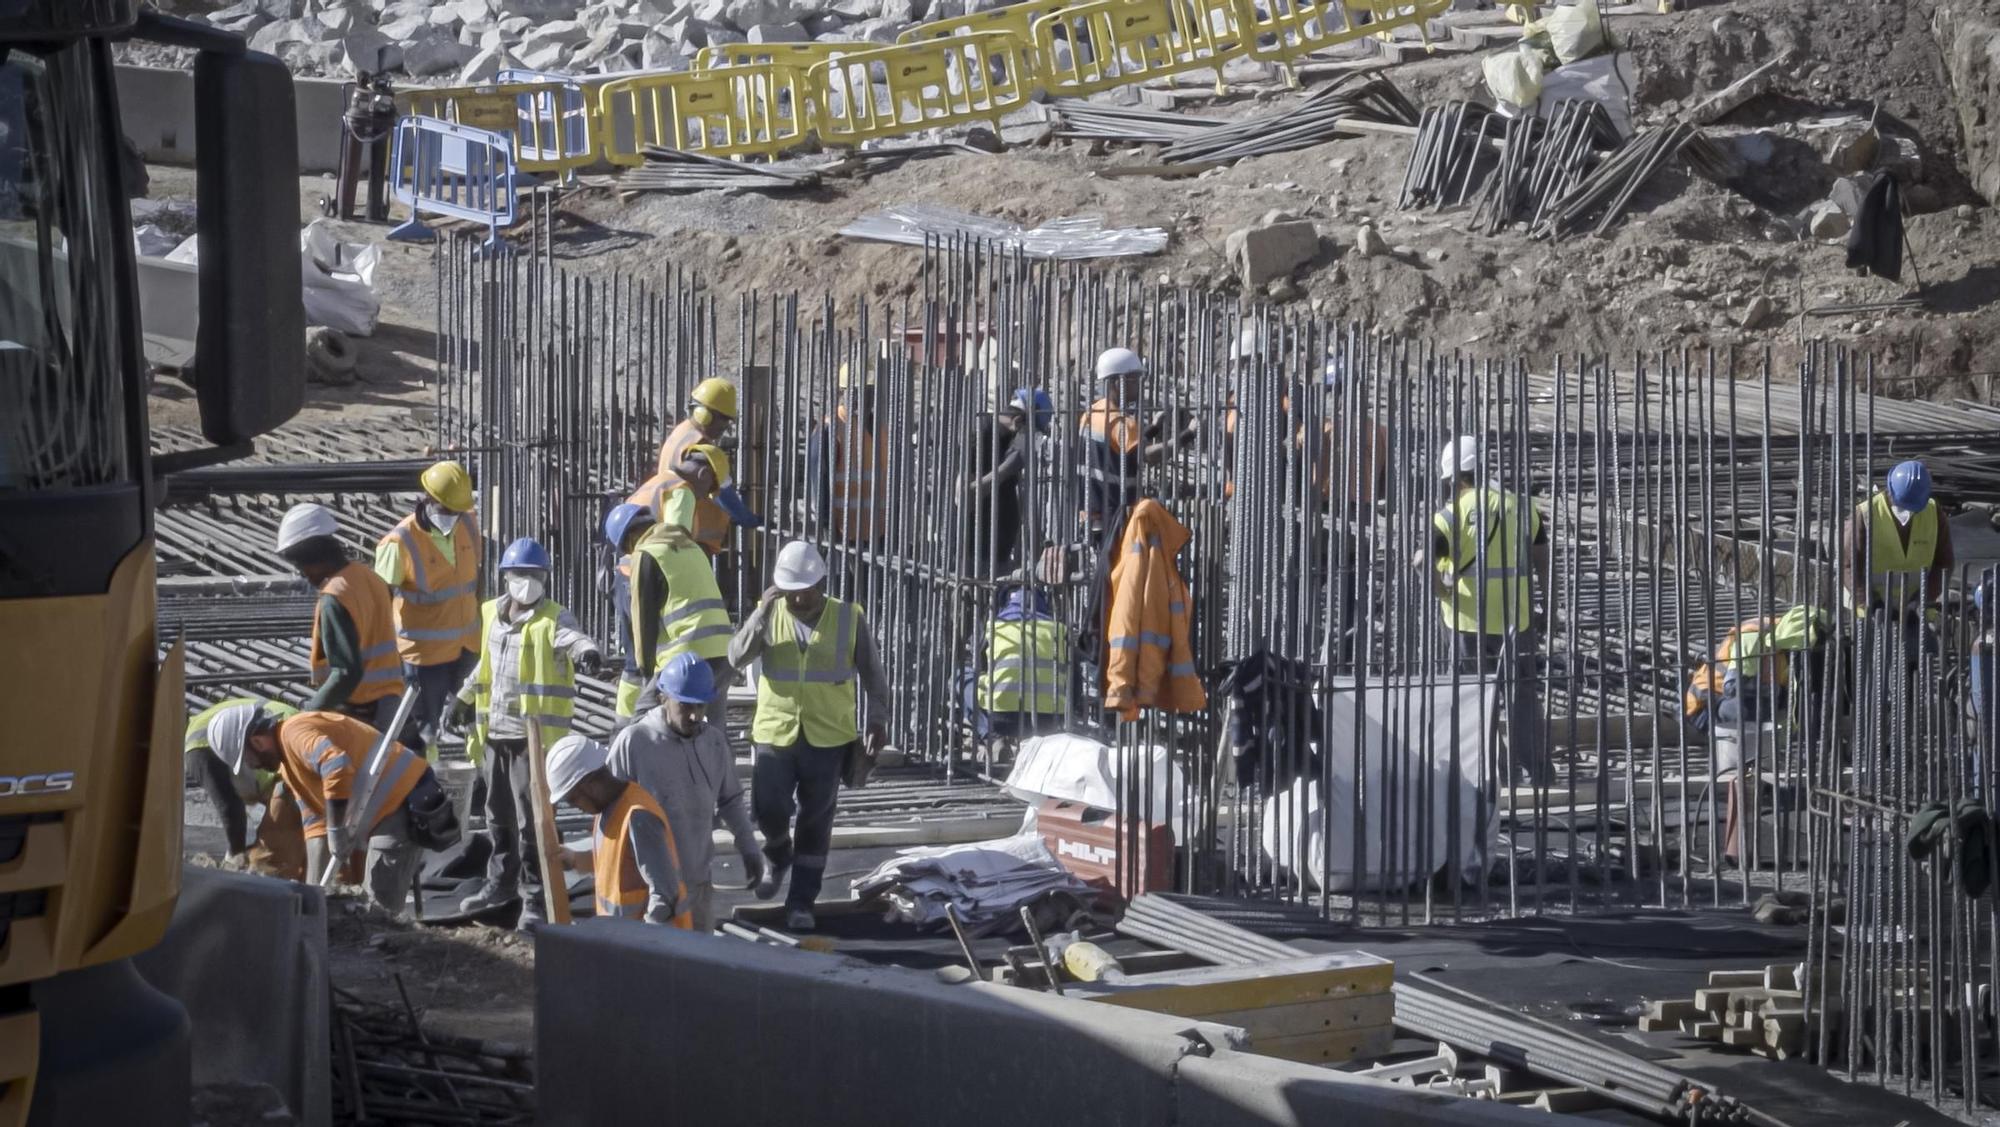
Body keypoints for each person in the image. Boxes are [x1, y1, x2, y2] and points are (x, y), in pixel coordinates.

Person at [730, 541, 892, 931]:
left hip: (828, 735)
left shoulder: (848, 617)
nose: (798, 597)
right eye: (790, 590)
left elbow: (872, 673)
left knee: (816, 822)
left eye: (805, 589)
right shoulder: (769, 613)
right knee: (768, 806)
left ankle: (801, 901)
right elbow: (736, 657)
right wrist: (759, 615)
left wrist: (878, 719)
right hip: (775, 732)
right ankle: (778, 852)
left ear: (821, 582)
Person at [450, 537, 603, 922]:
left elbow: (573, 639)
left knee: (531, 822)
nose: (529, 582)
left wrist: (587, 652)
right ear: (506, 577)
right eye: (522, 575)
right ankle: (500, 882)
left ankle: (535, 897)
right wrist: (463, 699)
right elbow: (485, 667)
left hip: (531, 742)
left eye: (536, 575)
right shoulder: (490, 615)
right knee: (497, 816)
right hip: (495, 736)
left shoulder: (553, 617)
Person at [1416, 436, 1552, 785]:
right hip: (1515, 621)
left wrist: (1441, 590)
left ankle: (1491, 770)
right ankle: (1536, 770)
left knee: (1475, 699)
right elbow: (1542, 560)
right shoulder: (1521, 506)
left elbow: (1422, 561)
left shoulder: (1448, 516)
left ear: (1453, 478)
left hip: (1466, 622)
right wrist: (1548, 604)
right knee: (1521, 696)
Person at [219, 708, 436, 914]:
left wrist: (336, 828)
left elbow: (336, 765)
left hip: (405, 799)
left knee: (379, 910)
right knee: (370, 908)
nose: (253, 766)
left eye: (247, 759)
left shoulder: (294, 732)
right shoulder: (289, 767)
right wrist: (314, 893)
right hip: (385, 810)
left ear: (257, 742)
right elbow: (315, 825)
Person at [608, 653, 766, 932]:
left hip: (698, 886)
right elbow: (609, 817)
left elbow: (729, 800)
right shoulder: (635, 743)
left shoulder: (713, 743)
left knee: (699, 967)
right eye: (685, 706)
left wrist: (749, 847)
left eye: (702, 706)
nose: (695, 715)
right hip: (648, 894)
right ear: (663, 698)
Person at [1681, 606, 1830, 863]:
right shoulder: (1753, 636)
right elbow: (1736, 691)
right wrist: (1777, 695)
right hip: (1709, 708)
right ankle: (1747, 787)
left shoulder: (1783, 644)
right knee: (1751, 724)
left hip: (1744, 710)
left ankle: (1754, 780)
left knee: (1775, 718)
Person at [374, 460, 481, 754]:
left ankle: (476, 780)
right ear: (429, 500)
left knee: (477, 718)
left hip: (467, 648)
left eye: (457, 511)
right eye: (447, 510)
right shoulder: (400, 541)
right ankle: (429, 786)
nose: (453, 517)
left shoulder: (468, 524)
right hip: (423, 658)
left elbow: (473, 583)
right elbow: (378, 600)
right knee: (426, 731)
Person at [276, 502, 404, 731]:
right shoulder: (369, 576)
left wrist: (310, 712)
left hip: (362, 711)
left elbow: (346, 672)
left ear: (313, 558)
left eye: (301, 566)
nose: (303, 575)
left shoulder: (334, 598)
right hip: (391, 703)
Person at [544, 734, 692, 928]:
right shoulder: (607, 809)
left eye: (573, 799)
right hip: (619, 940)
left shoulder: (638, 817)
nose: (575, 806)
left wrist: (644, 943)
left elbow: (665, 894)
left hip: (649, 946)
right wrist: (576, 860)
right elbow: (615, 863)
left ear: (589, 783)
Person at [627, 490, 736, 715]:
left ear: (631, 538)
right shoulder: (693, 548)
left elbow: (642, 619)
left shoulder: (646, 553)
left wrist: (646, 670)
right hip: (724, 654)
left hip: (685, 659)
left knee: (644, 718)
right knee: (711, 731)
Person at [1842, 459, 1952, 663]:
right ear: (1889, 491)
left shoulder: (1933, 513)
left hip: (1913, 610)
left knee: (1917, 667)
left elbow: (1943, 564)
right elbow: (1848, 565)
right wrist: (1870, 603)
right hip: (1870, 611)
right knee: (1872, 671)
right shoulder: (1865, 515)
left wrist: (1922, 599)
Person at [1078, 347, 1197, 536]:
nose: (1140, 386)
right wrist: (1187, 435)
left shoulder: (1091, 414)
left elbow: (1122, 450)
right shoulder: (1122, 422)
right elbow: (1146, 456)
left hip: (1092, 510)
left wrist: (1153, 428)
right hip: (1116, 513)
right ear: (1119, 382)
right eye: (1135, 379)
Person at [186, 697, 302, 879]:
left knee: (271, 853)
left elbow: (229, 807)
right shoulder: (282, 727)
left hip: (284, 761)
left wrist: (235, 858)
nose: (252, 765)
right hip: (282, 753)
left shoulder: (197, 749)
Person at [965, 586, 1070, 747]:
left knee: (962, 677)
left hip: (1002, 719)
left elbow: (979, 666)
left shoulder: (996, 626)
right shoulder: (1059, 630)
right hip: (1049, 723)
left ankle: (992, 738)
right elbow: (1074, 683)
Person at [965, 389, 1052, 576]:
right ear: (1019, 422)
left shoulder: (1008, 440)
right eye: (1031, 432)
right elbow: (964, 496)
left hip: (999, 550)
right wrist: (1008, 467)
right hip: (976, 552)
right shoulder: (982, 432)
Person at [627, 442, 761, 560]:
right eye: (710, 488)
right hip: (650, 571)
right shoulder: (682, 492)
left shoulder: (664, 479)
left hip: (632, 566)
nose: (704, 496)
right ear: (703, 474)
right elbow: (676, 544)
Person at [807, 361, 888, 546]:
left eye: (869, 392)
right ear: (842, 392)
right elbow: (819, 485)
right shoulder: (831, 429)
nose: (863, 398)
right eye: (856, 392)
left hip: (879, 533)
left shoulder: (881, 429)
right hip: (843, 534)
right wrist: (827, 530)